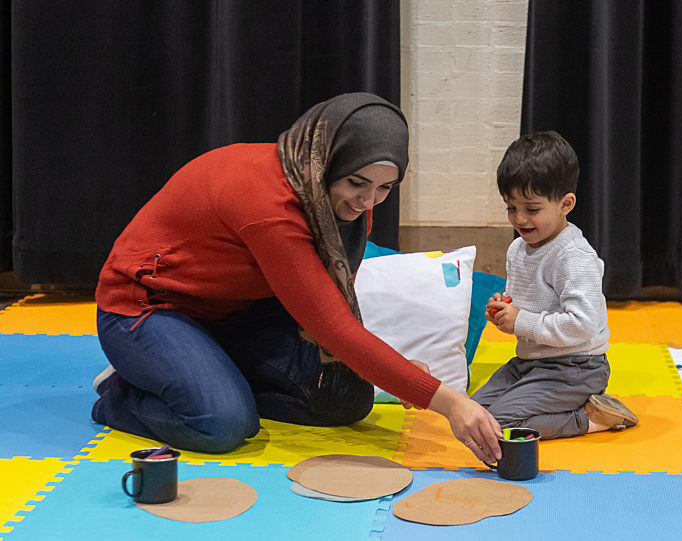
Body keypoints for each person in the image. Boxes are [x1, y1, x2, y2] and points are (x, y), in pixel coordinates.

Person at [92, 92, 502, 462]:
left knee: (344, 400)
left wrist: (396, 370)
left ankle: (203, 373)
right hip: (148, 309)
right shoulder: (269, 205)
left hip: (235, 310)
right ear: (329, 158)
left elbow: (333, 301)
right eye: (357, 183)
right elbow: (332, 326)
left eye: (385, 187)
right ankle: (124, 390)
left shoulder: (337, 194)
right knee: (223, 424)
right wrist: (449, 403)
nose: (367, 200)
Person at [472, 130, 638, 440]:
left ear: (566, 204)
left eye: (532, 209)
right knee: (472, 415)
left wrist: (520, 320)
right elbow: (527, 300)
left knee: (496, 426)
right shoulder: (518, 248)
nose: (519, 219)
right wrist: (504, 307)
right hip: (529, 363)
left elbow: (583, 324)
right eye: (511, 208)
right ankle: (561, 409)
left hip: (576, 369)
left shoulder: (573, 256)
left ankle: (590, 418)